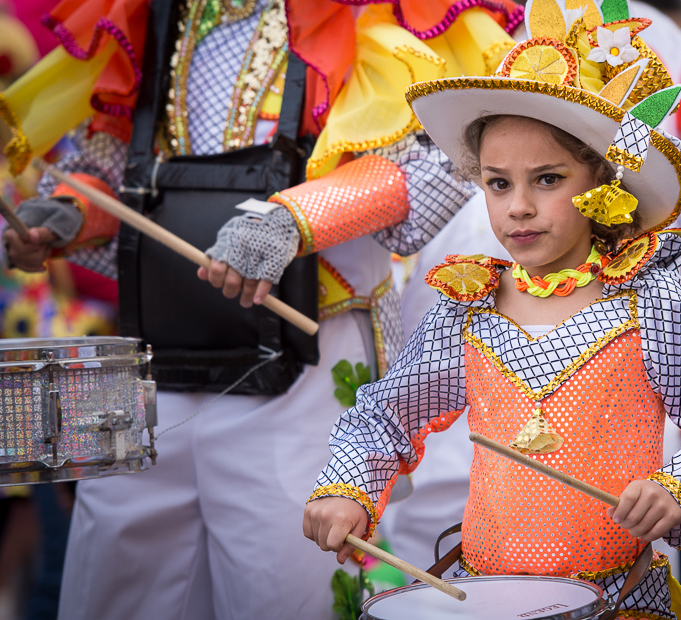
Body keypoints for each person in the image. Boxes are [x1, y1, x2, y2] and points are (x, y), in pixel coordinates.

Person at [0, 1, 521, 618]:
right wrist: (66, 214)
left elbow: (443, 158)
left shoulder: (371, 13)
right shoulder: (151, 12)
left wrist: (295, 221)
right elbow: (115, 161)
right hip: (157, 356)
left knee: (285, 590)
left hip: (304, 359)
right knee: (115, 587)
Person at [304, 2, 681, 617]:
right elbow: (384, 418)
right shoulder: (467, 309)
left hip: (622, 598)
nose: (518, 207)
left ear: (605, 181)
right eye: (499, 183)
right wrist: (347, 491)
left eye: (548, 179)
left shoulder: (652, 299)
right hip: (485, 597)